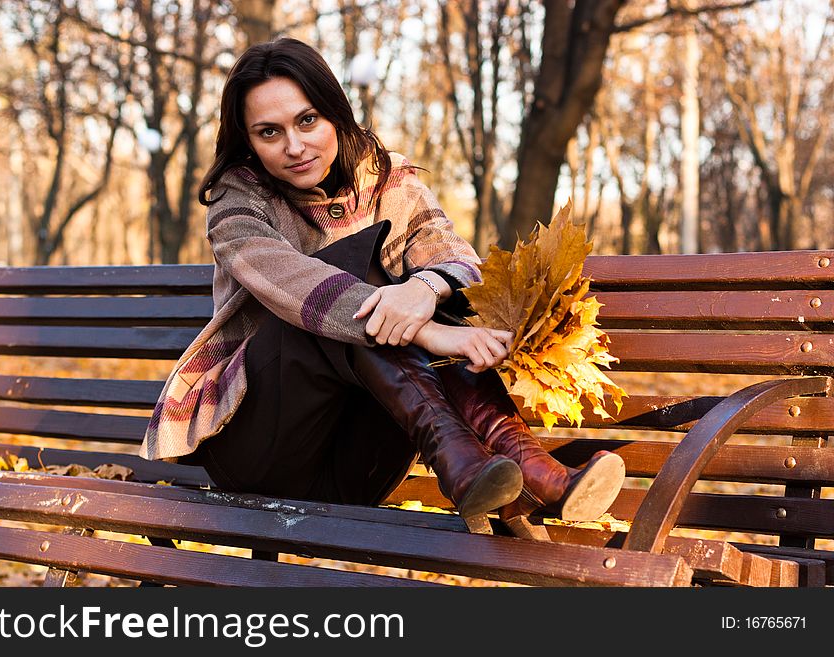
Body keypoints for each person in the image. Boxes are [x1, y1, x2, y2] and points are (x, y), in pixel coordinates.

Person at [139, 37, 625, 540]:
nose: (295, 146)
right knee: (338, 291)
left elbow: (459, 261)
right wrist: (430, 333)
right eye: (269, 132)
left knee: (441, 294)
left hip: (359, 464)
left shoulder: (389, 178)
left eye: (307, 120)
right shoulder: (236, 202)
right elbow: (290, 282)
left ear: (335, 112)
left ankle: (522, 470)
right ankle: (495, 469)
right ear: (248, 140)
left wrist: (426, 290)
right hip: (263, 454)